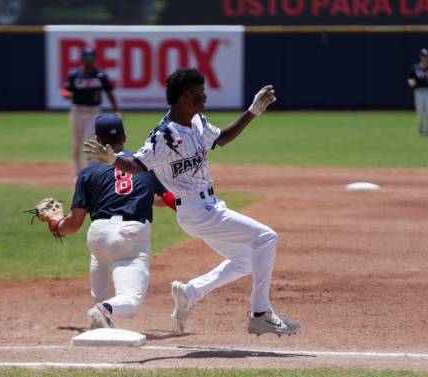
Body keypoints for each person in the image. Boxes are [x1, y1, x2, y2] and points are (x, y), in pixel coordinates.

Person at [84, 68, 300, 337]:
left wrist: (253, 111)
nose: (205, 97)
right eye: (200, 94)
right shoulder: (163, 136)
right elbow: (136, 165)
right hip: (197, 211)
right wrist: (113, 160)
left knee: (247, 260)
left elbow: (221, 138)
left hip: (210, 206)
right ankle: (261, 314)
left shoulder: (197, 121)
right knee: (267, 238)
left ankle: (190, 292)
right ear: (185, 96)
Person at [53, 113, 174, 329]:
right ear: (125, 137)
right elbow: (165, 200)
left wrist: (56, 226)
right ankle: (104, 309)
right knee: (131, 300)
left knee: (100, 252)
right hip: (130, 236)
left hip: (98, 235)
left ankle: (99, 309)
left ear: (97, 141)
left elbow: (73, 224)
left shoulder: (87, 173)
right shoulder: (144, 165)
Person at [62, 46, 119, 173]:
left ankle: (90, 171)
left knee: (92, 142)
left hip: (93, 112)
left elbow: (109, 92)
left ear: (94, 58)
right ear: (82, 59)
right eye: (86, 57)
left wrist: (115, 109)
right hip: (78, 111)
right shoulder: (75, 74)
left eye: (91, 57)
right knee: (77, 143)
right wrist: (66, 94)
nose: (89, 60)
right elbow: (66, 89)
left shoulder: (100, 75)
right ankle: (77, 172)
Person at [407, 48, 428, 138]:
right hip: (418, 92)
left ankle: (426, 133)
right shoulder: (415, 67)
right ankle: (421, 124)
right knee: (420, 113)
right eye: (423, 56)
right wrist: (410, 82)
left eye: (426, 56)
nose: (425, 58)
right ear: (420, 57)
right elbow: (410, 78)